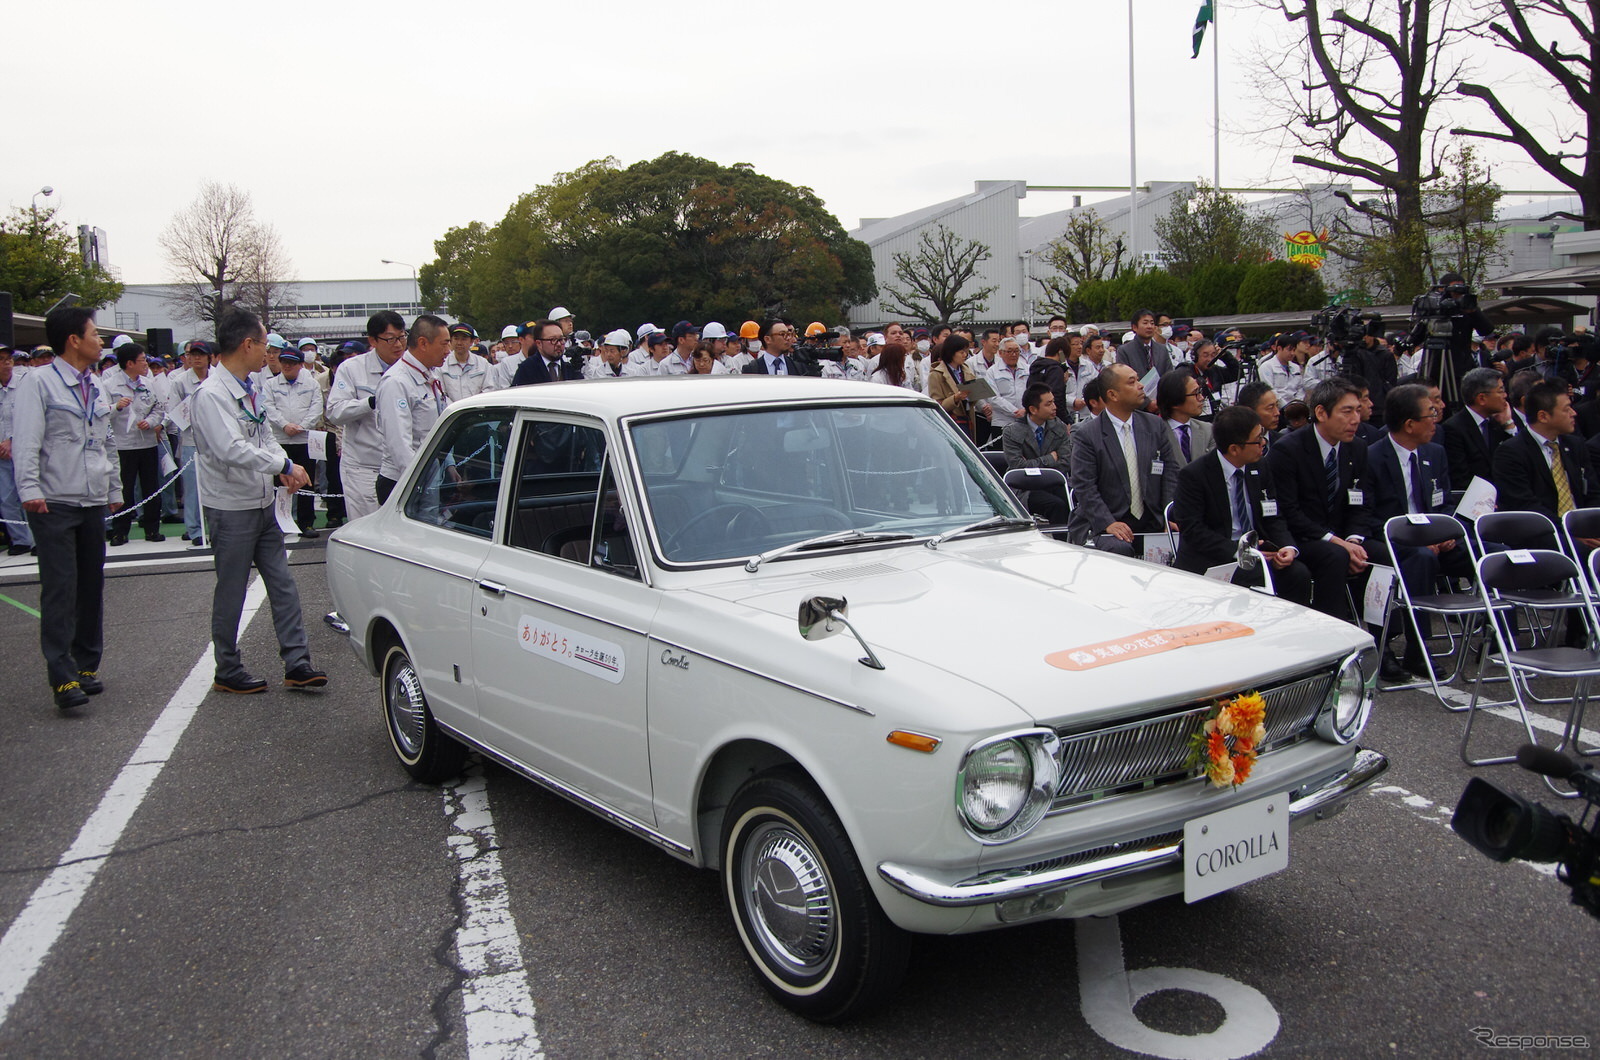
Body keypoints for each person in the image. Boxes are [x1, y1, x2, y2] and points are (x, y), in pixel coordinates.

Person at [189, 307, 327, 695]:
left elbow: (263, 433)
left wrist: (281, 467)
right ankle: (227, 669)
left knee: (283, 584)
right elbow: (231, 449)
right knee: (231, 590)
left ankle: (297, 663)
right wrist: (281, 462)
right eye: (264, 344)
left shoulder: (249, 387)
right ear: (247, 344)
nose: (268, 352)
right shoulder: (212, 395)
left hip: (262, 502)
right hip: (230, 507)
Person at [13, 306, 122, 708]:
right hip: (53, 500)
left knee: (90, 585)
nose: (101, 342)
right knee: (60, 588)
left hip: (92, 498)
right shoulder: (39, 383)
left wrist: (114, 488)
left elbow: (105, 439)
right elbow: (26, 440)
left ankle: (86, 665)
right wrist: (29, 489)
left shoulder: (96, 385)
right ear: (73, 340)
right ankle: (61, 675)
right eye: (95, 334)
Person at [1365, 383, 1474, 678]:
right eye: (1431, 413)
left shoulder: (1435, 453)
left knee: (1486, 553)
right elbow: (1368, 517)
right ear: (1410, 424)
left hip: (1435, 538)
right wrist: (1419, 540)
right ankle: (1416, 648)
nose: (1437, 419)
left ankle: (1499, 634)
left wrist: (1448, 532)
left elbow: (1445, 503)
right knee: (1421, 559)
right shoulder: (1372, 457)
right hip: (1393, 540)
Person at [1172, 405, 1316, 606]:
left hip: (1257, 552)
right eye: (1257, 440)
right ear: (1234, 449)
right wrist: (1240, 552)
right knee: (1255, 577)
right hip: (1217, 556)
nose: (1263, 443)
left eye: (1262, 436)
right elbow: (1194, 531)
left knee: (1298, 574)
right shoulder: (1195, 475)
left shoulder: (1260, 466)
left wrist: (1287, 546)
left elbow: (1273, 515)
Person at [1266, 378, 1376, 620]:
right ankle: (1333, 632)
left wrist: (1353, 539)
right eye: (1347, 412)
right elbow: (1289, 510)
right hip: (1304, 536)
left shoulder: (1357, 448)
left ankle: (1387, 641)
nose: (1355, 419)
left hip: (1342, 536)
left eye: (1358, 411)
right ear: (1321, 413)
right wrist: (1337, 542)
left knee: (1385, 555)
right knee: (1335, 556)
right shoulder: (1288, 450)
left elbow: (1361, 501)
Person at [1067, 364, 1179, 557]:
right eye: (1132, 382)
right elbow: (1084, 486)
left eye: (1138, 379)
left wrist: (1168, 515)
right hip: (1105, 520)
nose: (1141, 386)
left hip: (1152, 517)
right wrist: (1107, 522)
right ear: (1113, 395)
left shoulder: (1154, 425)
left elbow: (1170, 472)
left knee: (1187, 541)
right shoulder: (1087, 434)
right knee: (1119, 549)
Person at [1493, 379, 1600, 539]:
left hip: (1584, 528)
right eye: (1566, 409)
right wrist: (1571, 534)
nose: (1574, 413)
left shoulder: (1575, 445)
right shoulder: (1511, 453)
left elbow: (1593, 494)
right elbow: (1526, 506)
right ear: (1543, 416)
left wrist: (1589, 527)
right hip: (1544, 534)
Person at [324, 311, 405, 519]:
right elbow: (335, 412)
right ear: (372, 340)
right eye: (390, 339)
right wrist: (370, 402)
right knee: (366, 528)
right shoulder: (351, 369)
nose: (398, 344)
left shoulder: (410, 369)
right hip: (364, 466)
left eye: (402, 337)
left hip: (401, 466)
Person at [376, 315, 452, 504]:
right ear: (423, 343)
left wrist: (449, 465)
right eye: (444, 344)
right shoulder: (396, 382)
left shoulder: (431, 374)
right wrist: (418, 484)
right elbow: (399, 445)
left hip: (427, 475)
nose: (448, 350)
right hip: (405, 481)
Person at [102, 343, 166, 546]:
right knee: (124, 489)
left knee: (151, 487)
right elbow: (101, 413)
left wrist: (152, 422)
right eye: (142, 360)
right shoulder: (110, 385)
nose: (145, 364)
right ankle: (120, 531)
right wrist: (116, 407)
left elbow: (159, 409)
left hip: (146, 442)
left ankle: (152, 529)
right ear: (129, 363)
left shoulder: (149, 383)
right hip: (123, 445)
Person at [262, 345, 326, 535]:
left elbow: (316, 408)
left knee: (306, 482)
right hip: (280, 440)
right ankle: (280, 522)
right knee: (280, 483)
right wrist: (284, 425)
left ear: (300, 365)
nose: (287, 366)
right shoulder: (271, 385)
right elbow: (268, 408)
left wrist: (302, 426)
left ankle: (306, 522)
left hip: (304, 440)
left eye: (291, 363)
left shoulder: (311, 384)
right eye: (284, 362)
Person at [1001, 383, 1072, 526]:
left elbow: (1065, 462)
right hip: (1024, 487)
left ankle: (1073, 541)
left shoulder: (1059, 427)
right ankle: (1063, 543)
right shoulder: (1011, 432)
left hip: (1054, 484)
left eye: (1054, 402)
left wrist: (1032, 464)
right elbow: (1018, 467)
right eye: (1049, 404)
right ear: (1033, 409)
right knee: (1056, 505)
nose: (1054, 407)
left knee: (1072, 503)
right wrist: (1050, 458)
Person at [167, 340, 215, 545]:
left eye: (201, 354)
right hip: (190, 441)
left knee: (215, 486)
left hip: (215, 440)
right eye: (192, 354)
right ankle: (195, 530)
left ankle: (215, 527)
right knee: (193, 488)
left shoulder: (217, 378)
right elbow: (173, 412)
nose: (196, 358)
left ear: (209, 357)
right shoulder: (179, 381)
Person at [1440, 367, 1512, 492]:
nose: (1505, 395)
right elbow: (1460, 478)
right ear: (1482, 398)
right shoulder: (1454, 429)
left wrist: (1509, 425)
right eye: (1500, 391)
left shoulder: (1496, 423)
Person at [0, 352, 34, 556]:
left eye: (8, 359)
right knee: (6, 498)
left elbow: (29, 416)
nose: (6, 364)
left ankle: (37, 539)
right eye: (1, 360)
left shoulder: (23, 385)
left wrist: (11, 440)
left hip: (22, 448)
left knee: (29, 494)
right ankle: (20, 539)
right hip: (1, 453)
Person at [1157, 369, 1213, 467]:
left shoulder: (1208, 430)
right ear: (1175, 401)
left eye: (1200, 391)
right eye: (1195, 393)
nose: (1201, 398)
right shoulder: (1155, 433)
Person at [928, 335, 974, 439]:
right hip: (950, 421)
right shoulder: (936, 374)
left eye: (966, 352)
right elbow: (937, 405)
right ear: (951, 352)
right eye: (961, 352)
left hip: (967, 418)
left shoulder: (966, 370)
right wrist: (956, 398)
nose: (965, 355)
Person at [1115, 308, 1174, 381]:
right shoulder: (1124, 351)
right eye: (1145, 323)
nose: (1149, 326)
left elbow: (1169, 375)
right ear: (1135, 327)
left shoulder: (1162, 349)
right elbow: (1123, 378)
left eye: (1152, 323)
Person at [438, 322, 491, 402]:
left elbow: (489, 389)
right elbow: (441, 394)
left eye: (464, 339)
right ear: (451, 341)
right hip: (452, 411)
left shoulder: (483, 364)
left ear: (471, 342)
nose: (459, 343)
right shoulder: (442, 364)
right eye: (456, 338)